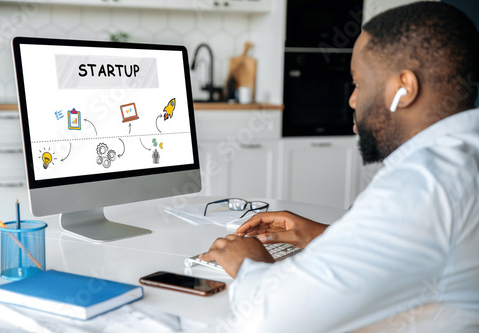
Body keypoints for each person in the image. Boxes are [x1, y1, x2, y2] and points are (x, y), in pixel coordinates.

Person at [199, 2, 479, 332]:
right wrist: (324, 236)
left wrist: (248, 262)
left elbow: (272, 320)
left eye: (359, 84)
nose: (352, 100)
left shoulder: (425, 182)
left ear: (404, 88)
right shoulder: (463, 156)